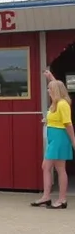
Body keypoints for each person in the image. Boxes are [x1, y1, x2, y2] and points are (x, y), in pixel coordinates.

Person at [31, 70, 75, 209]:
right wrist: (51, 77)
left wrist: (74, 141)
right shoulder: (57, 103)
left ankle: (60, 199)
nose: (48, 91)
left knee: (54, 167)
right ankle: (48, 197)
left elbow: (68, 124)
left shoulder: (62, 104)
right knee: (53, 167)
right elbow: (57, 86)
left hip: (60, 138)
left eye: (50, 89)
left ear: (55, 90)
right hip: (54, 138)